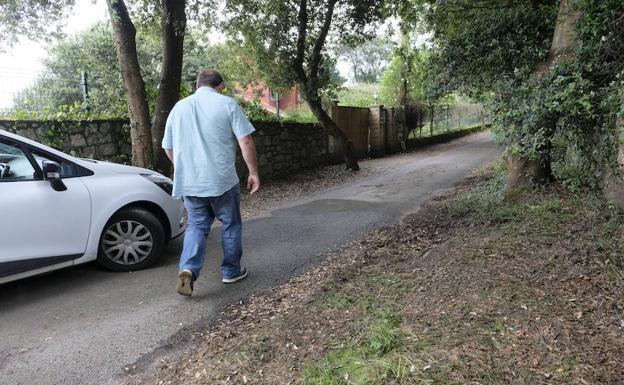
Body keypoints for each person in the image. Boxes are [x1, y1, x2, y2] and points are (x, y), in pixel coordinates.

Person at [162, 69, 260, 297]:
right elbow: (245, 140)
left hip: (190, 183)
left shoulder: (179, 108)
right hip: (222, 181)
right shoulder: (227, 104)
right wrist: (253, 172)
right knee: (230, 224)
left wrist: (185, 167)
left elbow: (168, 147)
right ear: (220, 86)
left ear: (197, 85)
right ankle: (231, 271)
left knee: (196, 226)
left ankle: (188, 269)